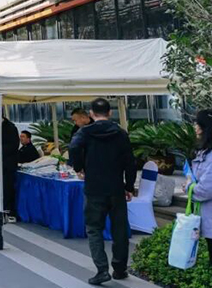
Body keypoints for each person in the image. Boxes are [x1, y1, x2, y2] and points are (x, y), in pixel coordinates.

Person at [69, 98, 135, 285]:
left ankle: (102, 270)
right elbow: (130, 162)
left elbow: (73, 147)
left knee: (94, 229)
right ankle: (120, 268)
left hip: (94, 188)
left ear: (91, 114)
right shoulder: (120, 133)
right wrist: (129, 186)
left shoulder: (85, 132)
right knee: (119, 229)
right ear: (110, 113)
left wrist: (79, 167)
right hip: (116, 188)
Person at [184, 109, 212, 286]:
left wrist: (189, 188)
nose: (195, 127)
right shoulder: (209, 153)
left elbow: (206, 190)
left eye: (199, 124)